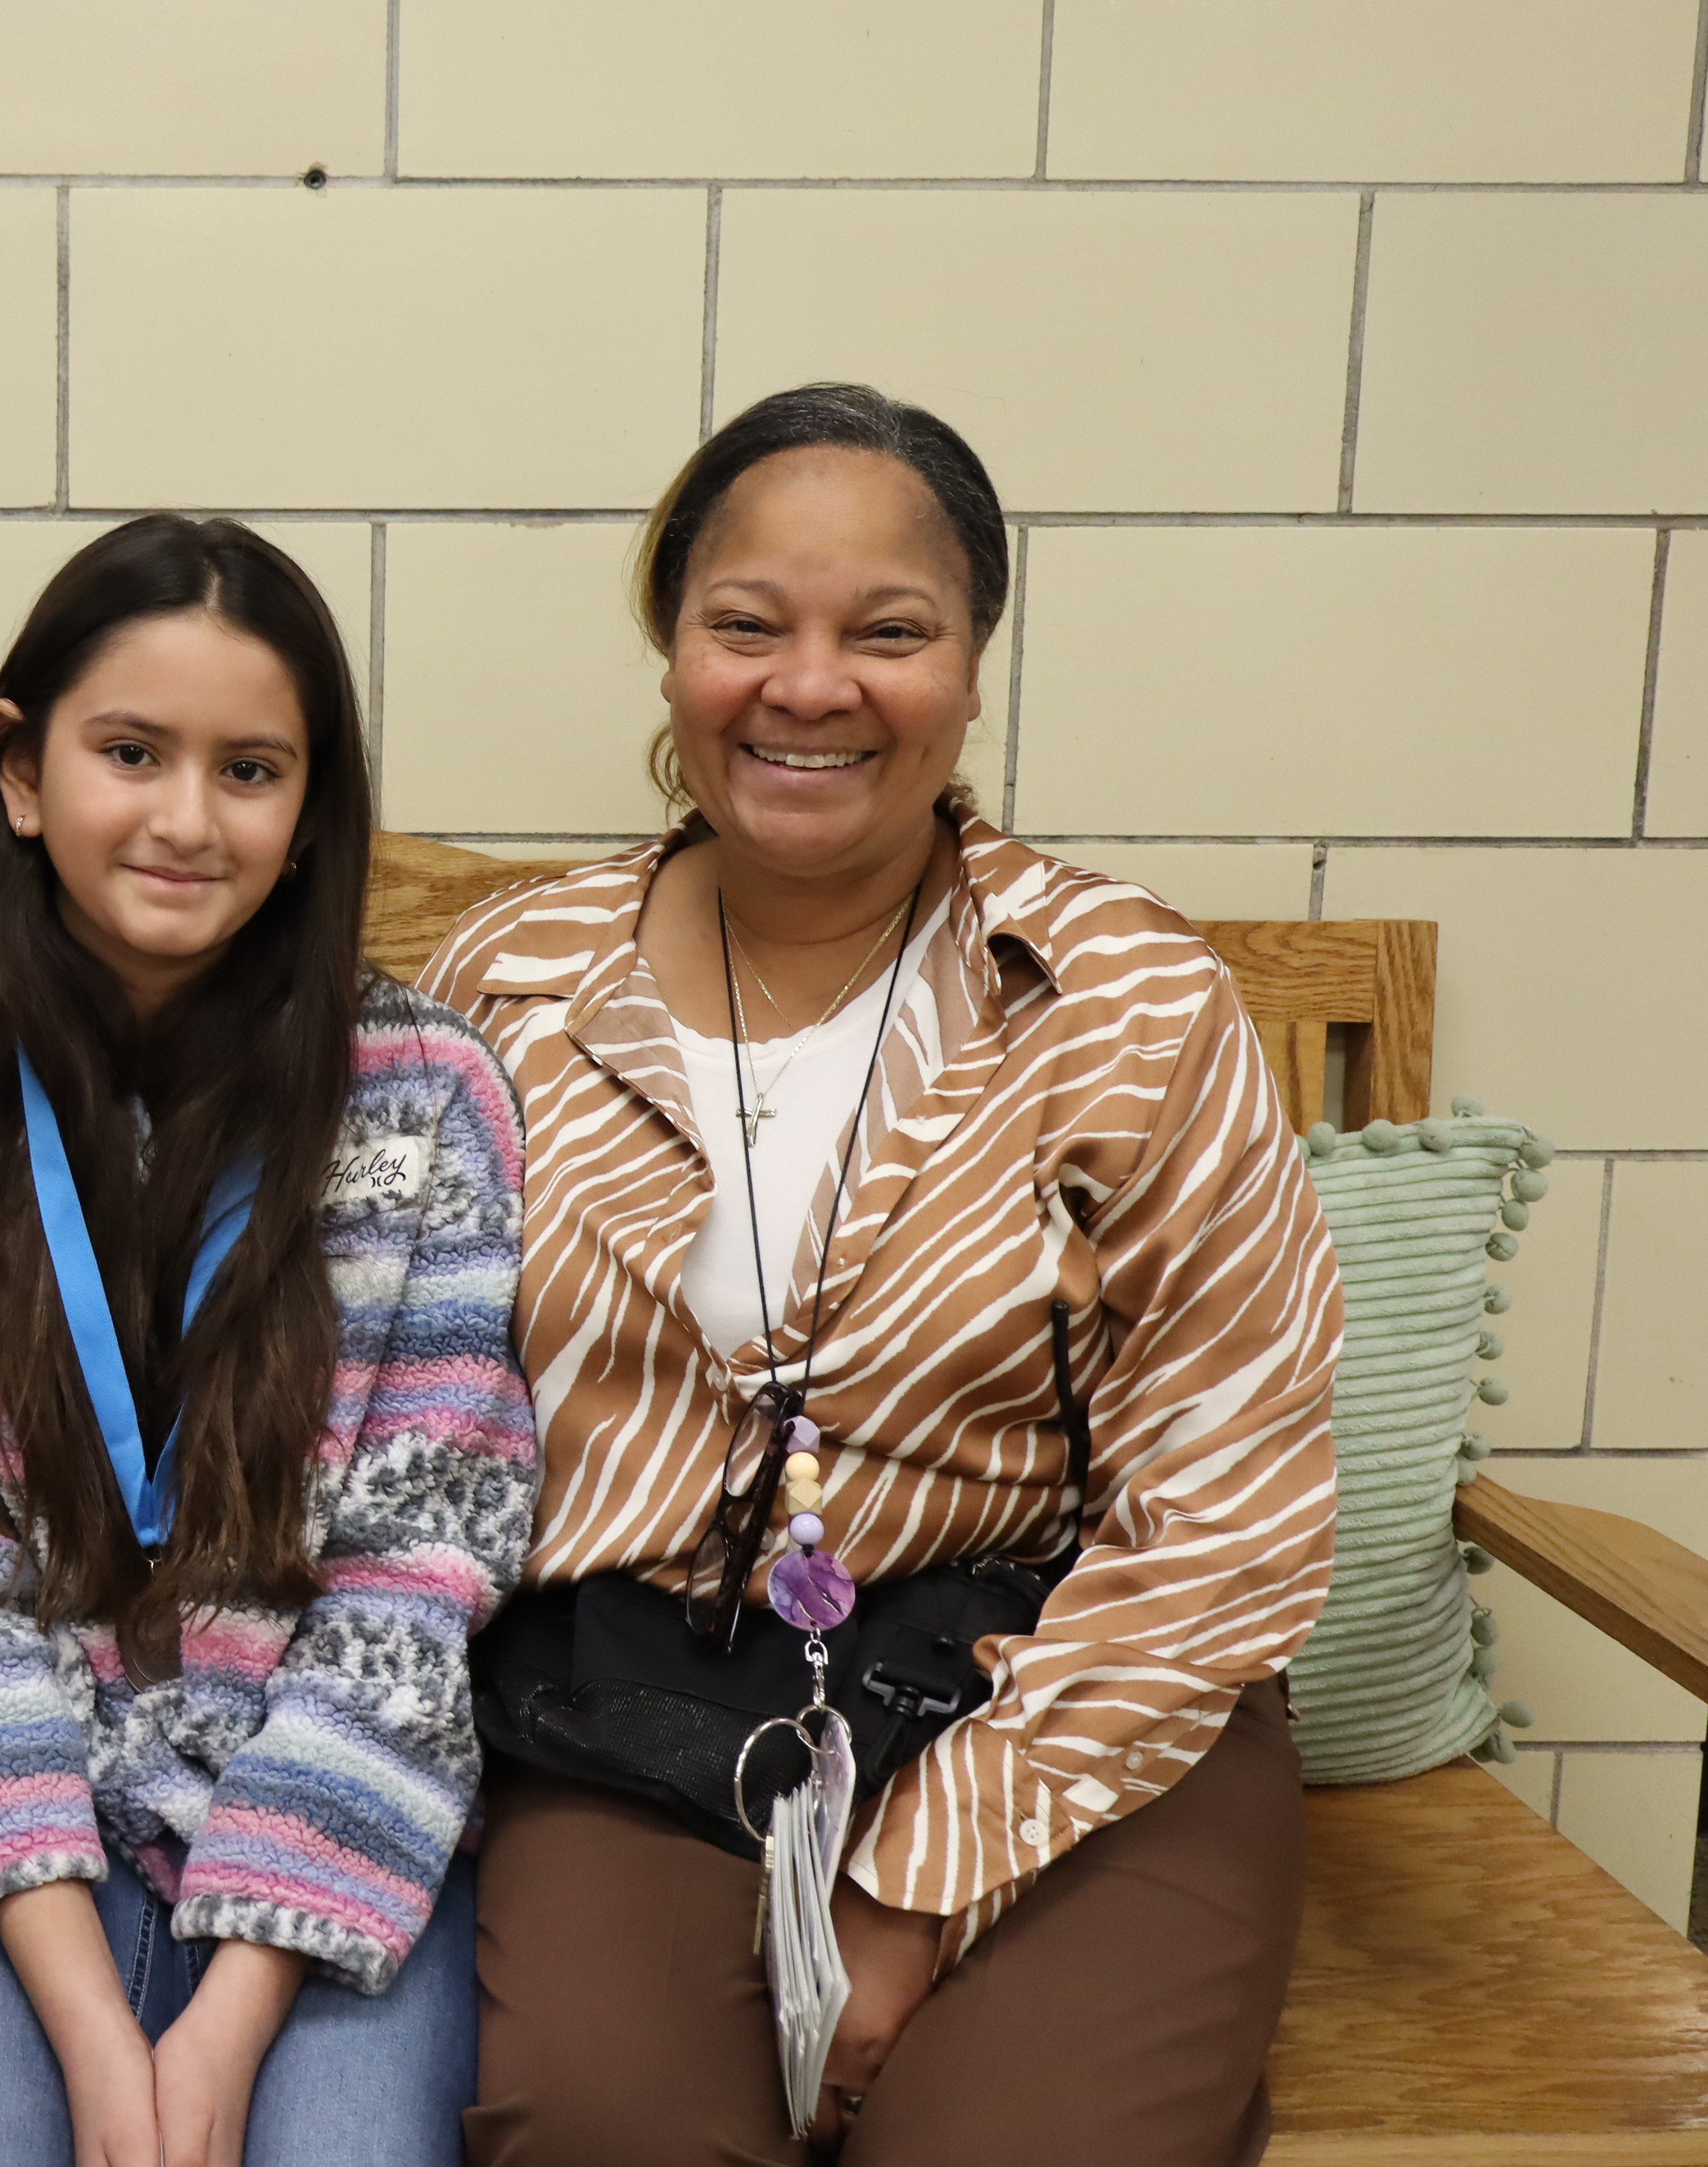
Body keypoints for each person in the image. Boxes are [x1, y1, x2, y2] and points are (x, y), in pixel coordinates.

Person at [421, 383, 1343, 2167]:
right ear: (674, 653)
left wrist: (914, 1896)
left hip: (1077, 1686)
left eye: (890, 632)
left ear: (974, 666)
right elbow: (385, 1401)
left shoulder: (1128, 1001)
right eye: (746, 625)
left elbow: (1231, 1505)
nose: (811, 684)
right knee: (603, 2124)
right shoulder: (509, 982)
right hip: (632, 1700)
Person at [0, 515, 540, 2167]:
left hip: (333, 1792)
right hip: (4, 1814)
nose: (189, 817)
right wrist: (102, 2037)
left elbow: (421, 1567)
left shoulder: (430, 1093)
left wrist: (235, 2005)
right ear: (22, 770)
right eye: (131, 751)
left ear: (313, 808)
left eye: (251, 768)